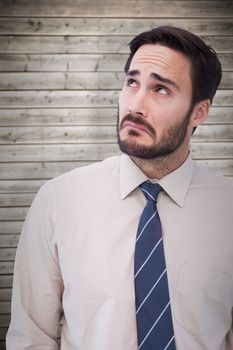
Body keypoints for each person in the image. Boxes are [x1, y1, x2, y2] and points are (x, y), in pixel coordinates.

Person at [6, 26, 233, 350]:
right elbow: (31, 337)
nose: (135, 104)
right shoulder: (59, 202)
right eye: (132, 82)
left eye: (161, 89)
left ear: (199, 111)